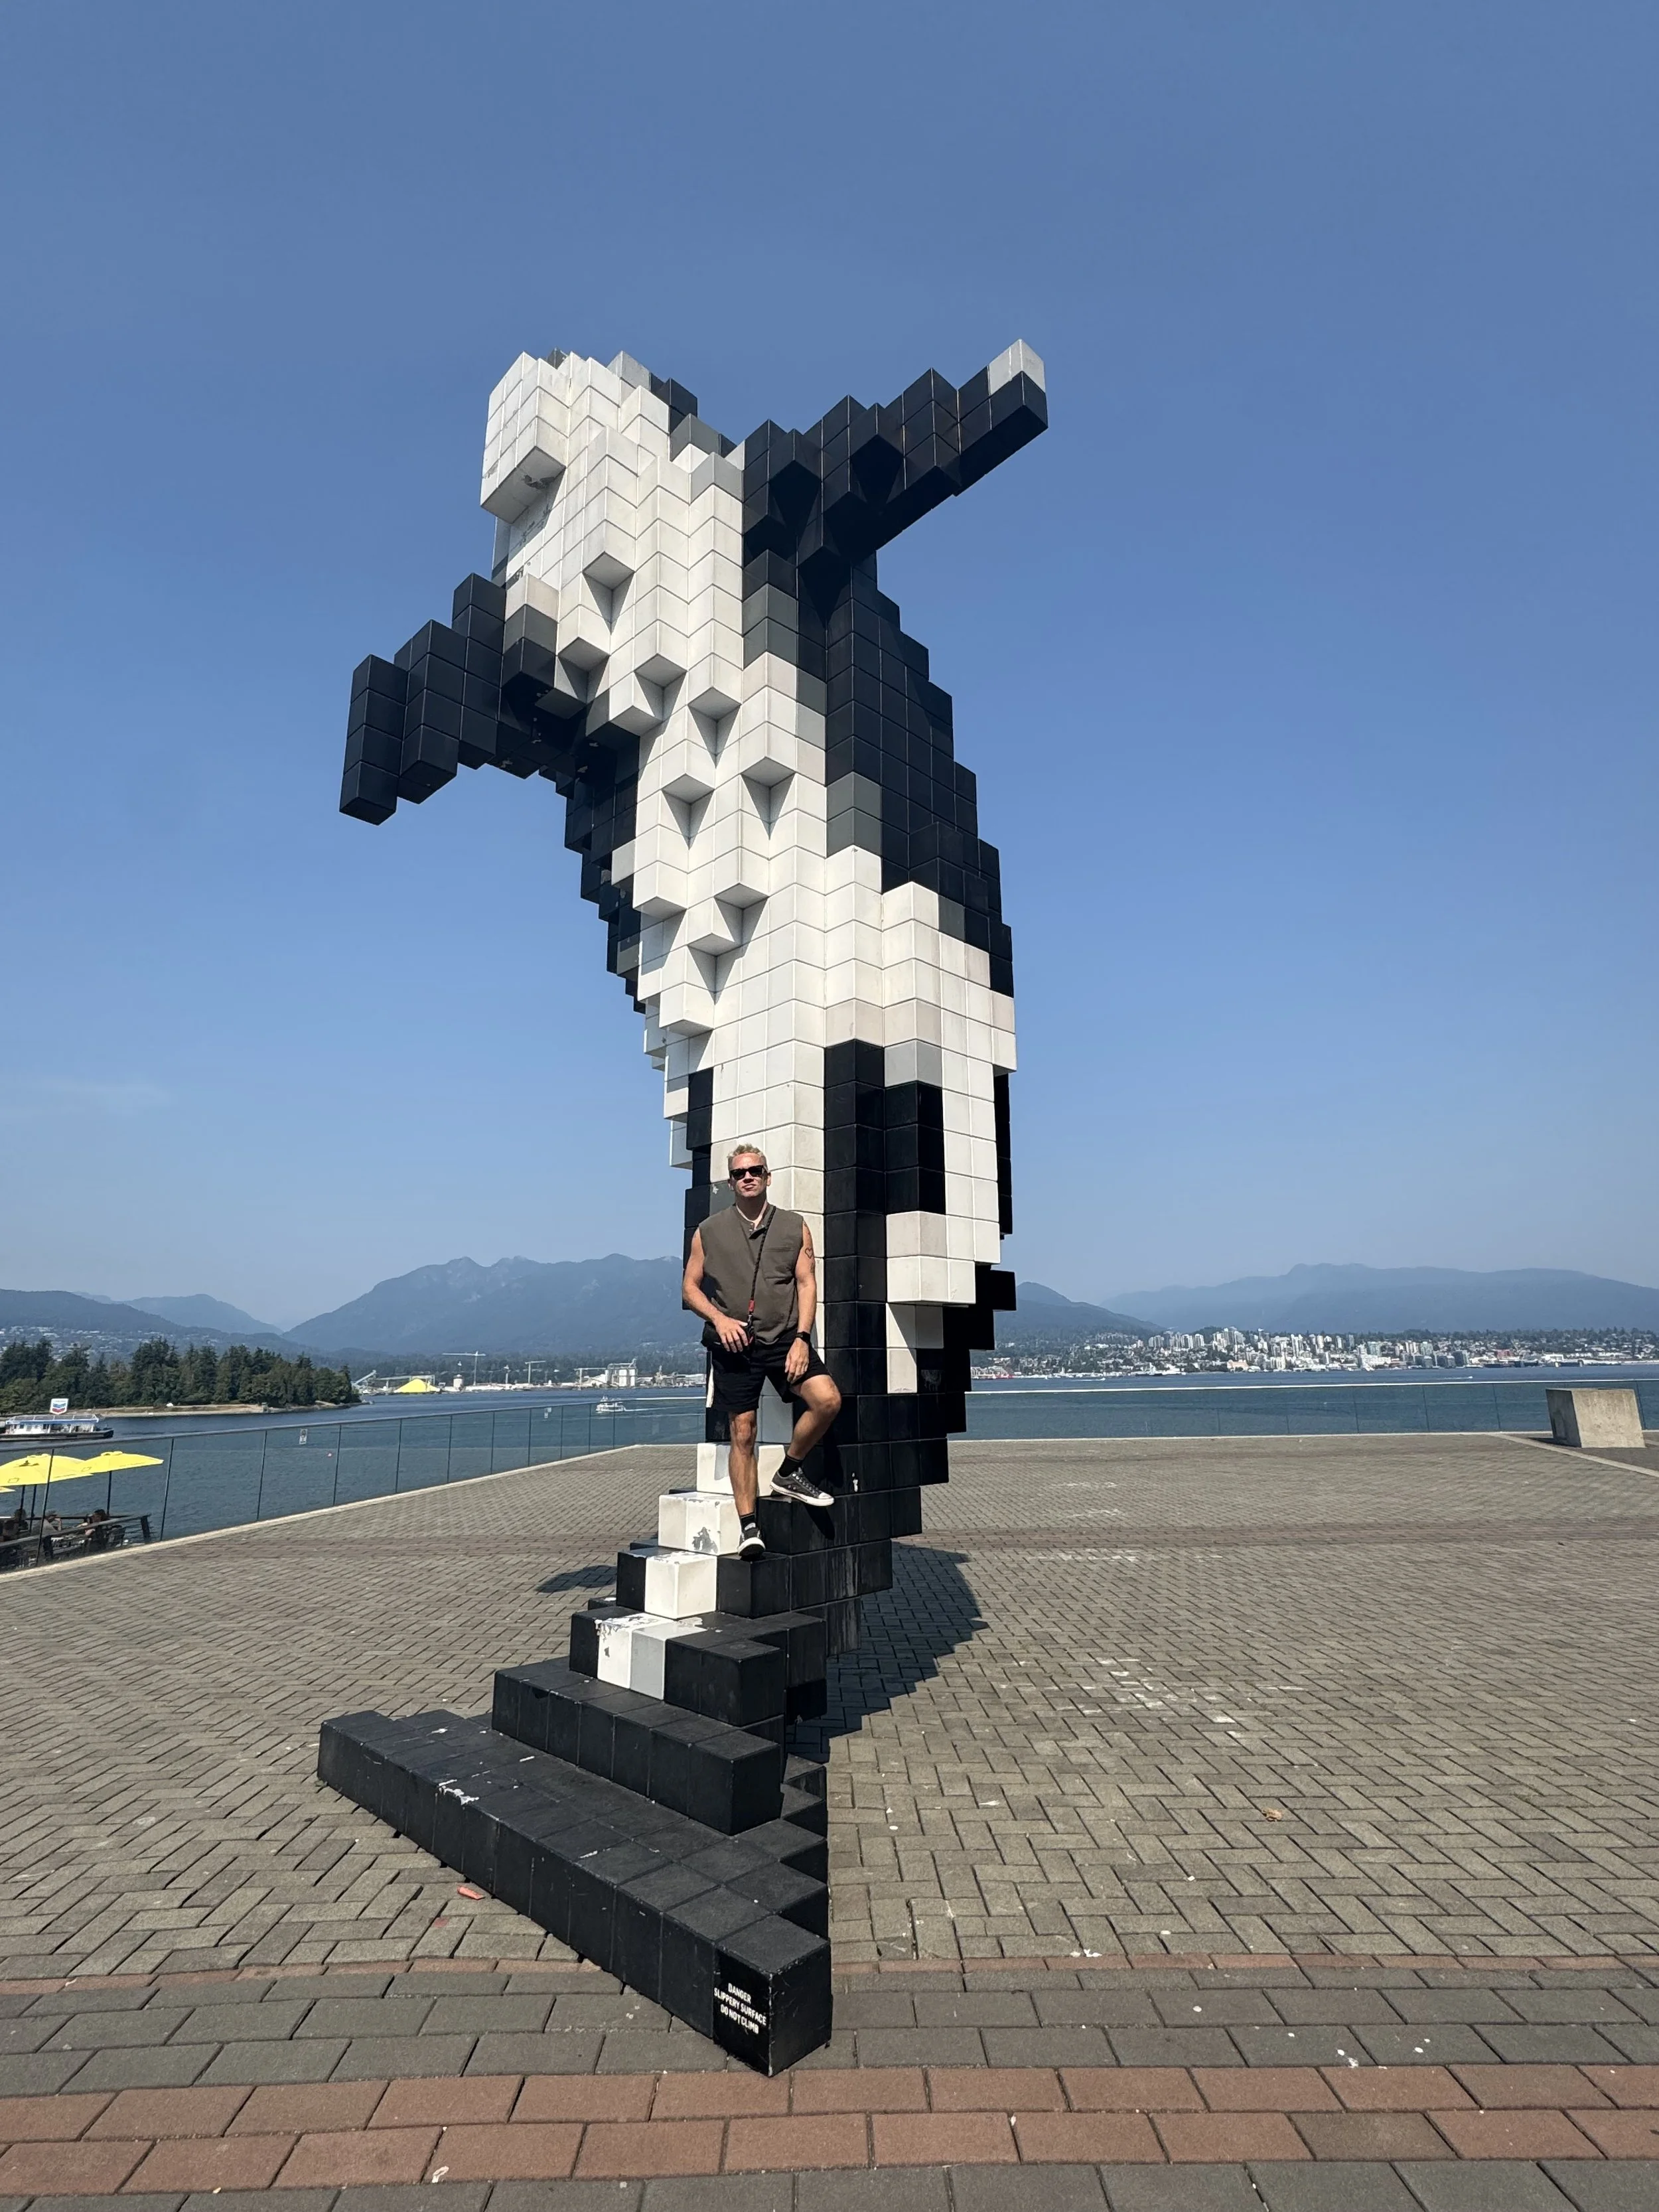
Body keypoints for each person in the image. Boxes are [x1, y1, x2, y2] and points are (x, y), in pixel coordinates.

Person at [682, 1143, 841, 1559]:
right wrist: (719, 1320)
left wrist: (803, 1339)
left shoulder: (794, 1226)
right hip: (733, 1342)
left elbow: (806, 1283)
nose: (748, 1177)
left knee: (827, 1400)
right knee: (743, 1431)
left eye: (755, 1171)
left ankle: (789, 1471)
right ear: (730, 1182)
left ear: (768, 1177)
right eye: (739, 1173)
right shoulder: (708, 1231)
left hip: (786, 1337)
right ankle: (749, 1528)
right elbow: (689, 1289)